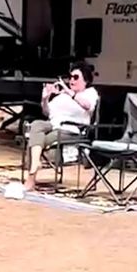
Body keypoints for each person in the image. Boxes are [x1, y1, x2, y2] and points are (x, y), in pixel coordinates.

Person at [24, 62, 99, 192]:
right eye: (70, 77)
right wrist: (45, 99)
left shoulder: (90, 93)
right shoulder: (63, 95)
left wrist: (72, 94)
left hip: (72, 129)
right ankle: (35, 165)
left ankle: (31, 177)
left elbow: (88, 106)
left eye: (76, 77)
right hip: (53, 124)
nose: (71, 80)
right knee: (36, 124)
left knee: (36, 141)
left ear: (85, 80)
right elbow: (47, 112)